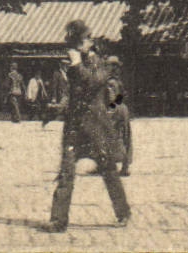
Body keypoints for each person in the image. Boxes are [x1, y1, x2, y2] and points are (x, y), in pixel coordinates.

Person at [45, 20, 129, 232]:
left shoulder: (98, 62)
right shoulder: (70, 64)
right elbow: (69, 94)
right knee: (66, 173)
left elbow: (94, 83)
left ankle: (123, 211)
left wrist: (76, 65)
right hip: (74, 127)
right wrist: (54, 110)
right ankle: (58, 219)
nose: (88, 42)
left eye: (88, 40)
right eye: (84, 40)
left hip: (96, 128)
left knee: (108, 170)